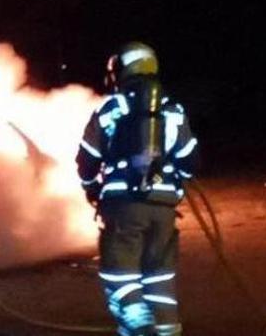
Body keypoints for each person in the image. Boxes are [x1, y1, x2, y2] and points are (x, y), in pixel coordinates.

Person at [76, 42, 199, 336]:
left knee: (119, 273)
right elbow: (190, 161)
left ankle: (140, 326)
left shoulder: (111, 108)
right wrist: (172, 183)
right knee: (159, 279)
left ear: (121, 71)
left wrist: (91, 187)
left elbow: (87, 159)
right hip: (164, 209)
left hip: (124, 207)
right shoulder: (173, 109)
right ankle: (167, 329)